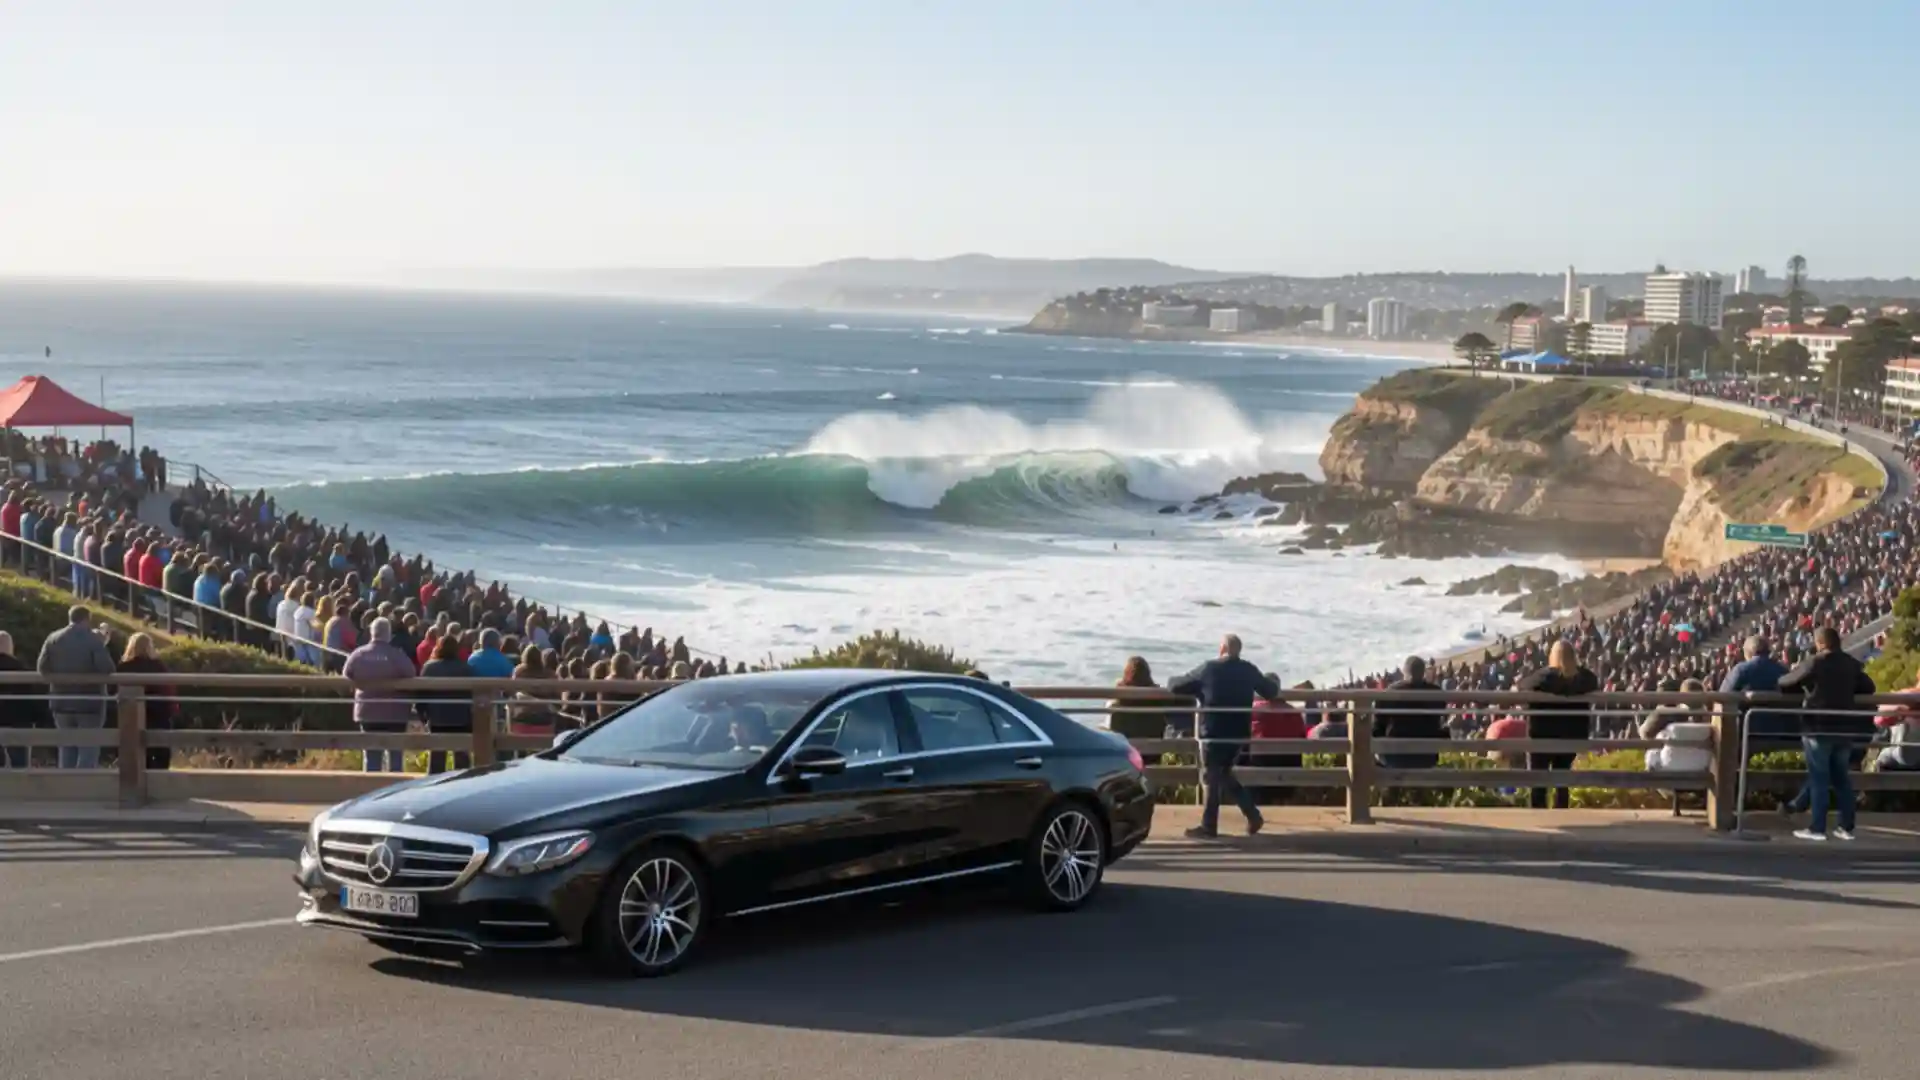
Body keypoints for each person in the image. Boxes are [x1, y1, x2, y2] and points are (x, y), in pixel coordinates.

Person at [1169, 634, 1279, 839]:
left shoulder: (1208, 669)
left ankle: (1209, 826)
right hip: (1238, 735)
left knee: (1212, 776)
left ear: (1221, 649)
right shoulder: (1248, 669)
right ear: (1239, 651)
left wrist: (1172, 679)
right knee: (1224, 774)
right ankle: (1253, 816)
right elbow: (1270, 691)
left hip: (1213, 733)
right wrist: (1273, 680)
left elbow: (1176, 686)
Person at [1778, 626, 1874, 841]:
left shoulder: (1815, 662)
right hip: (1844, 728)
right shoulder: (1851, 664)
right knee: (1841, 778)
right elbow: (1869, 686)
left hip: (1818, 727)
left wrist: (1803, 687)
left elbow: (1786, 682)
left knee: (1819, 777)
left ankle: (1817, 828)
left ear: (1820, 643)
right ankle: (1846, 827)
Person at [1517, 640, 1598, 810]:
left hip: (1542, 738)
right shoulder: (1584, 679)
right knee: (1562, 779)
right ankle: (1562, 810)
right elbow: (1593, 680)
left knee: (1538, 781)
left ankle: (1539, 814)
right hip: (1571, 737)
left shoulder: (1543, 678)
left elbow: (1522, 687)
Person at [37, 606, 115, 769]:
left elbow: (42, 668)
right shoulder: (93, 640)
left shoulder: (53, 638)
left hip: (61, 702)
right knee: (89, 748)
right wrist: (102, 644)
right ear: (87, 619)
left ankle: (67, 788)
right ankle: (84, 788)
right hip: (89, 703)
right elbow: (106, 668)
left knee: (66, 747)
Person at [340, 616, 418, 773]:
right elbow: (411, 673)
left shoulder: (358, 655)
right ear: (388, 634)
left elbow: (346, 677)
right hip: (395, 713)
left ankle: (370, 791)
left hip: (367, 712)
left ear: (371, 633)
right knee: (396, 757)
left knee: (371, 757)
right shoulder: (396, 655)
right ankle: (395, 792)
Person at [416, 635, 475, 774]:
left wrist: (423, 716)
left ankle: (435, 787)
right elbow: (471, 695)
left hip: (437, 719)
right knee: (462, 759)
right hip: (461, 720)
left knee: (437, 757)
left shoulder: (429, 668)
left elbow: (420, 695)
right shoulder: (465, 669)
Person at [1374, 655, 1446, 770]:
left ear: (1404, 671)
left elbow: (1377, 728)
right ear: (1423, 673)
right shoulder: (1436, 693)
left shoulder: (1389, 693)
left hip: (1395, 757)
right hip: (1427, 757)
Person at [118, 632, 177, 771]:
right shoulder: (158, 666)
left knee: (137, 747)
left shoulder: (124, 667)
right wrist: (173, 708)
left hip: (131, 712)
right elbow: (168, 689)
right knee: (161, 747)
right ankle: (160, 778)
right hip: (158, 711)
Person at [0, 630, 50, 769]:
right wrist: (40, 718)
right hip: (17, 721)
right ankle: (20, 785)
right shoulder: (20, 669)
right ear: (10, 646)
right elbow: (33, 697)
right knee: (20, 761)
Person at [1642, 678, 1713, 775]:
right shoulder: (1710, 718)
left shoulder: (1666, 713)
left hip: (1668, 770)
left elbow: (1645, 733)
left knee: (1658, 742)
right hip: (1699, 771)